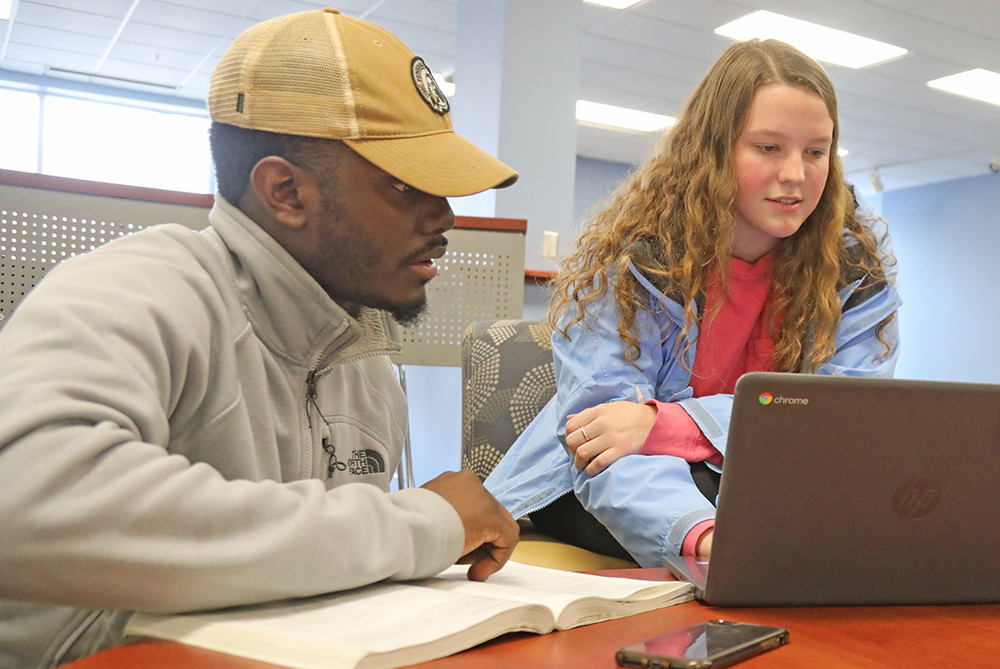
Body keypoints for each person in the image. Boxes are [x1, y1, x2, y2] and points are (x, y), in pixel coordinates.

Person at [0, 8, 520, 668]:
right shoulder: (140, 287)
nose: (444, 215)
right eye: (404, 183)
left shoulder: (366, 366)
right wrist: (419, 524)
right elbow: (23, 502)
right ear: (285, 191)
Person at [485, 39, 901, 568]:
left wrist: (674, 424)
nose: (796, 174)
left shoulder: (854, 263)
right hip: (618, 483)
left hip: (760, 478)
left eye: (816, 151)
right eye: (768, 148)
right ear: (714, 148)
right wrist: (708, 541)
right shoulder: (637, 254)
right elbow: (604, 440)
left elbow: (844, 420)